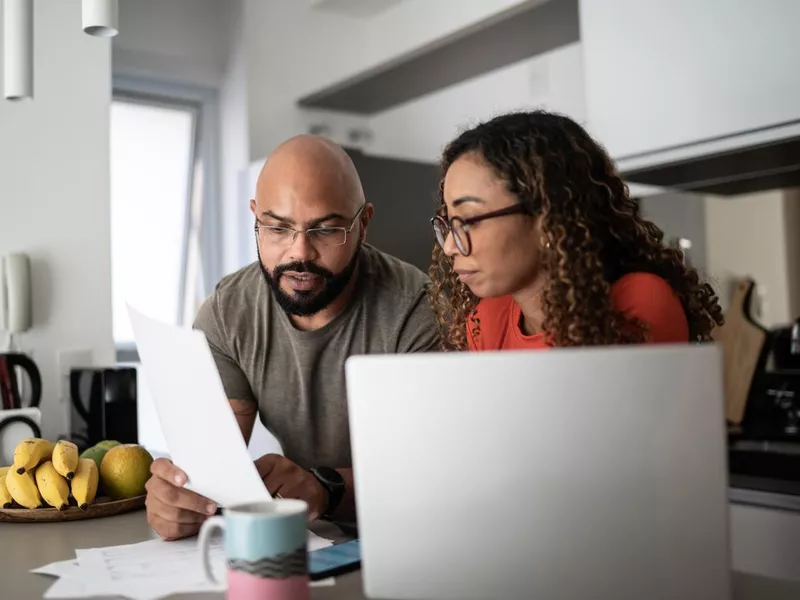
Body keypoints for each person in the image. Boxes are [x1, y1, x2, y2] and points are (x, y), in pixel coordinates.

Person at [146, 135, 439, 540]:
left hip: (416, 533)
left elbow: (430, 473)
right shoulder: (228, 313)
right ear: (255, 217)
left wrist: (324, 488)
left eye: (326, 229)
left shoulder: (417, 311)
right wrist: (180, 500)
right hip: (312, 540)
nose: (300, 253)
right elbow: (209, 470)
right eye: (278, 228)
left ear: (363, 225)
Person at [428, 110, 723, 351]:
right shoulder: (486, 320)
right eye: (448, 223)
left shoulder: (638, 301)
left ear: (546, 217)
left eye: (469, 220)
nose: (450, 246)